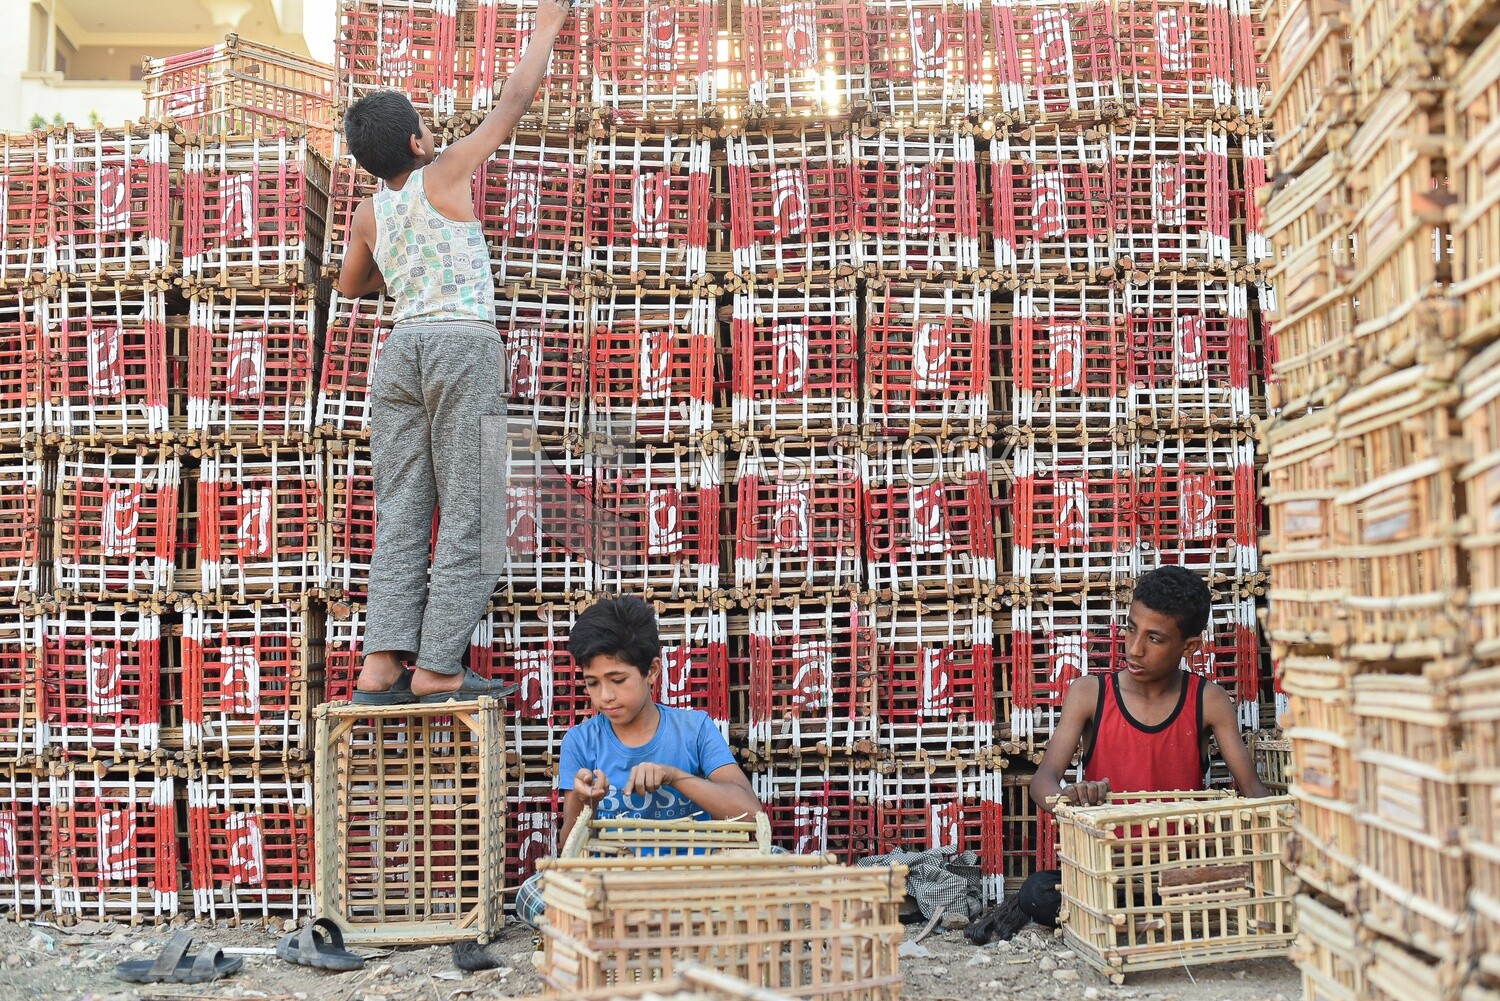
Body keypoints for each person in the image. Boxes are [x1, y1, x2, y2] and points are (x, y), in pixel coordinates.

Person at [337, 0, 573, 705]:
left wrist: (396, 258)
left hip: (401, 351)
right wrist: (546, 30)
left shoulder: (369, 212)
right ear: (415, 144)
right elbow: (512, 102)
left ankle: (381, 665)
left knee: (403, 509)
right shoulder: (447, 172)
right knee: (470, 509)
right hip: (461, 346)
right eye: (427, 129)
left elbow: (354, 285)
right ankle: (439, 664)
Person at [968, 565, 1272, 945]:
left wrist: (1284, 843)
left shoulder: (1207, 700)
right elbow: (1042, 781)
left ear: (1189, 647)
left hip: (1177, 873)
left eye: (1155, 638)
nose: (1134, 647)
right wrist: (1069, 798)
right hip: (1105, 871)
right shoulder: (1089, 693)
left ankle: (1128, 922)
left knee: (1240, 884)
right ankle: (1154, 922)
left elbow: (1252, 789)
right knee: (1038, 892)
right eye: (1131, 628)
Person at [513, 595, 764, 928]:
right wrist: (584, 802)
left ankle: (633, 927)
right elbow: (568, 851)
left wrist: (675, 776)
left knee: (779, 866)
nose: (605, 696)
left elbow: (750, 815)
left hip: (693, 878)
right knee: (533, 894)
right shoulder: (581, 741)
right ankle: (659, 924)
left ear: (653, 671)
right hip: (616, 886)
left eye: (618, 680)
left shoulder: (695, 729)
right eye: (593, 683)